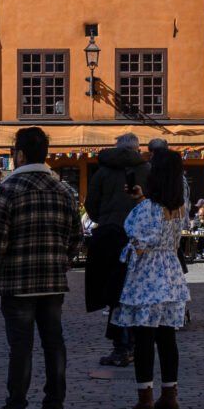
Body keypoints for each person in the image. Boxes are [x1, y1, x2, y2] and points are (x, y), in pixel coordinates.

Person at [0, 127, 79, 409]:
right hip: (52, 282)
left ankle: (16, 408)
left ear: (20, 155)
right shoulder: (63, 191)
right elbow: (76, 238)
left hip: (17, 281)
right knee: (54, 343)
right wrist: (61, 261)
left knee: (20, 347)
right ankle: (54, 404)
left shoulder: (8, 190)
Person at [113, 149, 193, 409]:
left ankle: (145, 397)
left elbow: (137, 242)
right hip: (171, 272)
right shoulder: (180, 207)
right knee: (167, 338)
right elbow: (163, 220)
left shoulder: (145, 210)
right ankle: (170, 395)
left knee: (144, 338)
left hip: (147, 274)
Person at [87, 133, 146, 365]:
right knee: (138, 292)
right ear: (137, 148)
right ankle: (137, 345)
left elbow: (91, 204)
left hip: (111, 235)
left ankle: (121, 348)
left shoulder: (102, 171)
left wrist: (104, 217)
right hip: (139, 237)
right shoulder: (147, 169)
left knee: (115, 293)